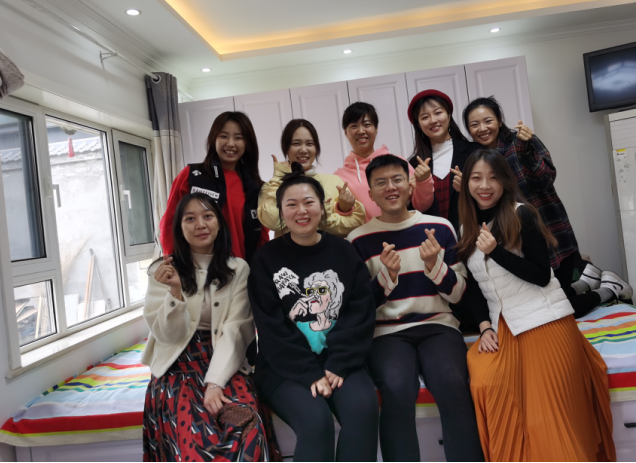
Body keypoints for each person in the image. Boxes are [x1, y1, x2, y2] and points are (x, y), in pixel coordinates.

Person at [458, 150, 615, 462]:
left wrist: (496, 252)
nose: (485, 185)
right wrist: (485, 327)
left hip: (546, 321)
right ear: (466, 184)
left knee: (547, 418)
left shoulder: (522, 215)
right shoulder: (466, 228)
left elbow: (542, 276)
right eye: (476, 178)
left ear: (505, 182)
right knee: (486, 382)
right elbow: (474, 286)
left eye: (493, 177)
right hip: (505, 325)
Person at [348, 154, 484, 463]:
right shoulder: (357, 239)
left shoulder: (439, 228)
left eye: (397, 179)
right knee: (396, 388)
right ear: (370, 194)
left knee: (452, 383)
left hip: (439, 326)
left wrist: (434, 266)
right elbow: (360, 307)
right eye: (381, 183)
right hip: (386, 333)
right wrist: (387, 277)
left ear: (410, 186)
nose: (390, 187)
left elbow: (459, 295)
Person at [248, 162, 379, 462]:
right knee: (316, 423)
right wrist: (309, 373)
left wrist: (338, 363)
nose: (301, 211)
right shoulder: (265, 259)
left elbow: (359, 313)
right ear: (281, 212)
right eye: (291, 204)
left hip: (340, 362)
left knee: (363, 410)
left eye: (309, 202)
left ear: (323, 206)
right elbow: (272, 328)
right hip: (284, 367)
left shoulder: (344, 252)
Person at [462, 96, 632, 317]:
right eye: (474, 124)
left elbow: (546, 178)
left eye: (488, 121)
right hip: (515, 238)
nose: (482, 128)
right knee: (545, 297)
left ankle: (609, 290)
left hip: (549, 226)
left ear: (499, 120)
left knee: (559, 306)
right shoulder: (477, 159)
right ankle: (587, 281)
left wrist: (524, 152)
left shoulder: (521, 140)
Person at [142, 193, 278, 462]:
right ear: (179, 228)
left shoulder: (238, 268)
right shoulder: (163, 270)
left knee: (246, 428)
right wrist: (175, 293)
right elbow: (167, 336)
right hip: (176, 366)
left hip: (225, 360)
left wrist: (215, 382)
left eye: (207, 216)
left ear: (219, 223)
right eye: (190, 219)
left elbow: (236, 329)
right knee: (195, 445)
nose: (200, 225)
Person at [160, 111, 269, 263]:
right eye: (223, 136)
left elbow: (262, 234)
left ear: (247, 143)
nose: (230, 143)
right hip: (198, 268)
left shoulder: (256, 187)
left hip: (243, 269)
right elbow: (170, 222)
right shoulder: (191, 176)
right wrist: (172, 261)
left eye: (238, 138)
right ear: (214, 139)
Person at [258, 118, 366, 237]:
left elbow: (357, 221)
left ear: (316, 148)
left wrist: (342, 210)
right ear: (285, 147)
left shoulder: (334, 182)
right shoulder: (271, 187)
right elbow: (273, 222)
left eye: (309, 144)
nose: (304, 150)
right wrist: (279, 178)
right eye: (296, 144)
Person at [334, 101, 434, 221]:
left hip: (402, 229)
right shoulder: (338, 177)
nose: (361, 131)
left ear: (376, 128)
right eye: (354, 126)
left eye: (367, 124)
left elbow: (421, 205)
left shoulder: (398, 164)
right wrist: (342, 208)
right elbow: (338, 222)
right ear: (345, 132)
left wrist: (424, 181)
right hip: (364, 233)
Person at [407, 90, 478, 232]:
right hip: (431, 238)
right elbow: (412, 212)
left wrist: (469, 188)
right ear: (418, 124)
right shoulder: (413, 165)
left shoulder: (475, 152)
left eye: (438, 112)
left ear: (449, 114)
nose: (433, 120)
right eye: (425, 117)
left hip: (473, 234)